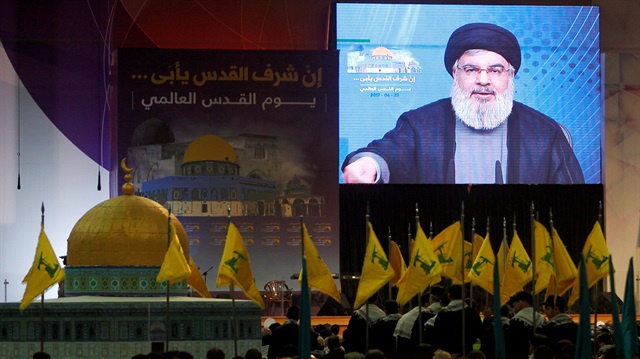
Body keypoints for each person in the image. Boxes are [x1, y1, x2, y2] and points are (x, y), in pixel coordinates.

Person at [341, 23, 584, 185]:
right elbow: (389, 154)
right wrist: (370, 164)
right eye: (471, 69)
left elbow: (573, 204)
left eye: (495, 70)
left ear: (510, 75)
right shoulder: (420, 125)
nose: (483, 80)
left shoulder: (545, 132)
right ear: (455, 74)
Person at [431, 285, 483, 356]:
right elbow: (479, 333)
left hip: (447, 353)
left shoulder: (442, 314)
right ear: (464, 295)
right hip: (466, 352)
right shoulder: (472, 313)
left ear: (449, 296)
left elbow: (436, 335)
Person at [504, 291, 547, 359]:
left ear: (525, 303)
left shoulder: (515, 321)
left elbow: (510, 347)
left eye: (517, 301)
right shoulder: (543, 320)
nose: (514, 304)